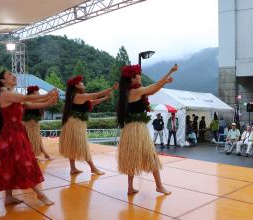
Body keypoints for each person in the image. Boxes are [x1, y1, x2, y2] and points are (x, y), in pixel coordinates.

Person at [0, 70, 57, 205]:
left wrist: (48, 102)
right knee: (24, 162)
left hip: (16, 133)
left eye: (14, 74)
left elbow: (30, 105)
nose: (14, 75)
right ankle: (40, 194)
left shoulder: (11, 95)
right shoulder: (6, 94)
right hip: (12, 134)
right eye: (9, 75)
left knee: (10, 163)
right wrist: (47, 95)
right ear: (2, 80)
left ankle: (8, 197)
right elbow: (26, 98)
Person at [117, 64, 178, 195]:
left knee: (131, 158)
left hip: (130, 130)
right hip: (137, 129)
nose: (140, 76)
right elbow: (153, 87)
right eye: (138, 74)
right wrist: (169, 71)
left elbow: (152, 90)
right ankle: (159, 186)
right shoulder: (135, 92)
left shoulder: (129, 92)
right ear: (133, 78)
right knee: (152, 156)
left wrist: (164, 82)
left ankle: (130, 188)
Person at [60, 75, 116, 175]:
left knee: (72, 145)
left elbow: (92, 102)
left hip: (73, 123)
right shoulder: (79, 96)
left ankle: (73, 168)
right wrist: (111, 88)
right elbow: (95, 95)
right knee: (83, 145)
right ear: (77, 85)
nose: (83, 84)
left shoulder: (76, 96)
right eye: (82, 83)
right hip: (75, 125)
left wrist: (106, 97)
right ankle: (93, 168)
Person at [23, 86, 55, 161]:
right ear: (32, 93)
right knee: (31, 139)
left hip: (34, 123)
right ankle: (33, 155)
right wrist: (50, 96)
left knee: (37, 139)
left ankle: (45, 154)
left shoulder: (35, 99)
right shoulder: (29, 99)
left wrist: (53, 96)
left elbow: (46, 101)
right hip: (29, 123)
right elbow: (43, 100)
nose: (39, 93)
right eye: (37, 91)